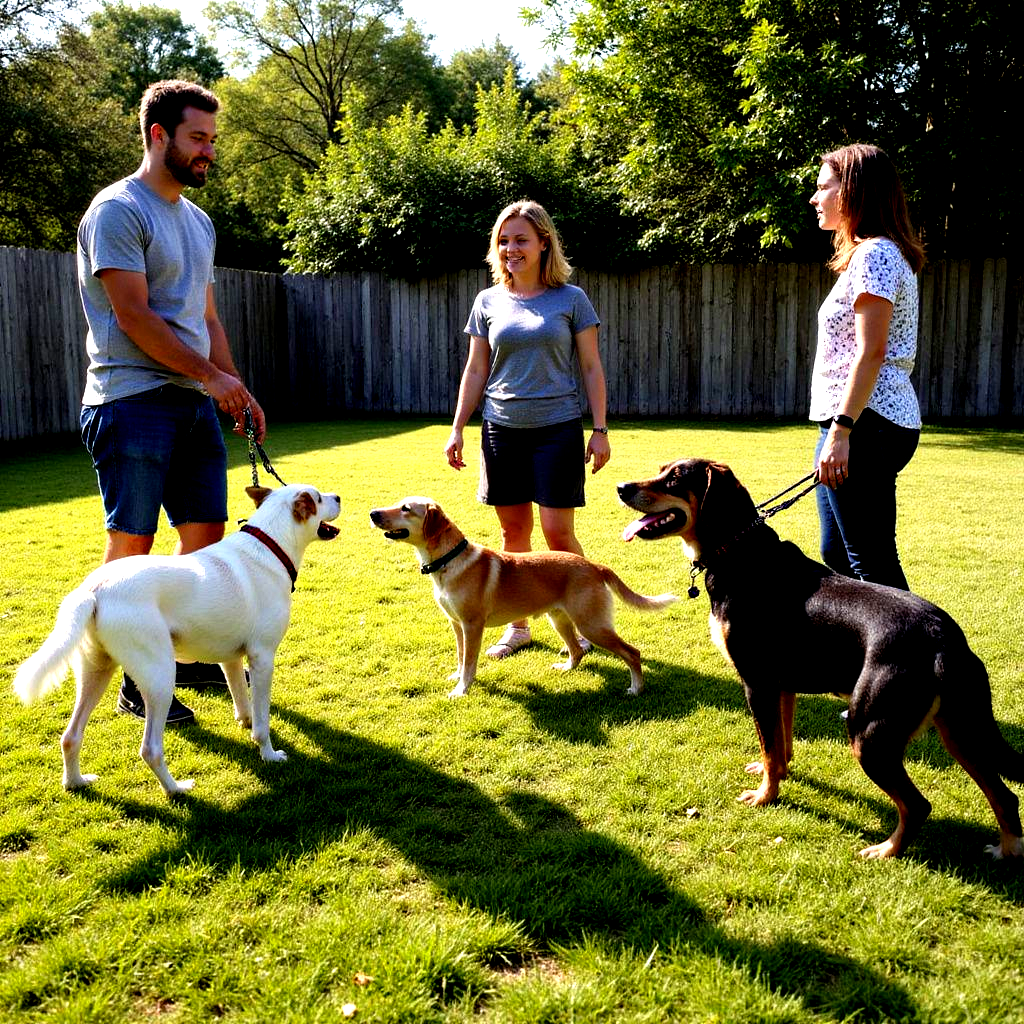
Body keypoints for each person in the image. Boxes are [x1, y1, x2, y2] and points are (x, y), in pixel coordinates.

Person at [77, 79, 266, 725]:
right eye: (197, 138)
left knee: (206, 537)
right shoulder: (117, 210)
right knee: (132, 545)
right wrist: (209, 378)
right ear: (159, 135)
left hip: (190, 399)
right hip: (130, 399)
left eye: (212, 139)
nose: (209, 151)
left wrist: (231, 383)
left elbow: (204, 317)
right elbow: (133, 316)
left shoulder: (198, 219)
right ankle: (135, 678)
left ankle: (180, 660)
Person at [443, 199, 611, 658]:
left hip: (557, 428)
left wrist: (600, 429)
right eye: (503, 241)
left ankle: (580, 622)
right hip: (501, 430)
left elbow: (592, 367)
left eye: (520, 239)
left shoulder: (571, 300)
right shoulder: (488, 301)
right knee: (512, 537)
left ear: (543, 243)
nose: (510, 248)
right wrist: (458, 427)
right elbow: (476, 370)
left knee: (558, 533)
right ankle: (517, 628)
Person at [808, 143, 925, 591]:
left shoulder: (876, 255)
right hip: (861, 421)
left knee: (869, 561)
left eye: (824, 187)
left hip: (865, 423)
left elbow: (871, 351)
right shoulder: (871, 254)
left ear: (853, 190)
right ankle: (856, 654)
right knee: (838, 555)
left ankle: (917, 656)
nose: (815, 198)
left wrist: (841, 430)